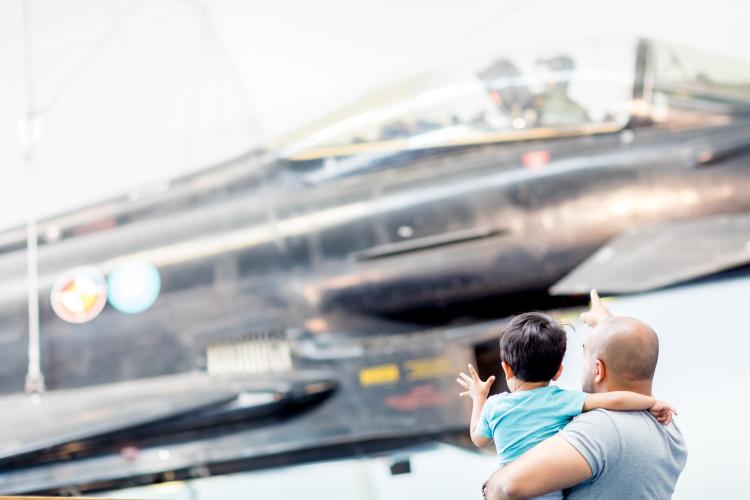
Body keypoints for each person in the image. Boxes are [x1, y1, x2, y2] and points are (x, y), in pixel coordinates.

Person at [481, 291, 688, 499]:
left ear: (598, 370)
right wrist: (605, 322)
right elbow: (632, 360)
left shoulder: (601, 427)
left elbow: (508, 487)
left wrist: (493, 483)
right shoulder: (667, 427)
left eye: (584, 356)